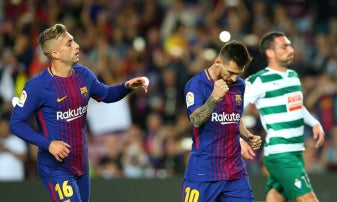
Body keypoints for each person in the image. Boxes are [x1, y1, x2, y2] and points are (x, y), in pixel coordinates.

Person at [9, 23, 148, 202]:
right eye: (69, 43)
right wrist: (48, 144)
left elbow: (106, 94)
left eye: (73, 41)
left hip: (81, 164)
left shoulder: (83, 75)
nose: (77, 46)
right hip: (55, 167)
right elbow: (16, 123)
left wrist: (126, 86)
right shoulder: (37, 86)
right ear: (55, 54)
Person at [243, 31, 325, 202]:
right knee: (309, 199)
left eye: (290, 45)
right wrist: (240, 139)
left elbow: (297, 106)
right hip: (281, 153)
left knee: (276, 196)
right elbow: (232, 111)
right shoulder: (258, 81)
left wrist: (315, 122)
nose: (291, 49)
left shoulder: (293, 76)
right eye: (284, 46)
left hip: (296, 151)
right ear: (270, 53)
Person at [182, 40, 262, 202]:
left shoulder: (239, 85)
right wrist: (214, 98)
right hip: (204, 173)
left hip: (235, 173)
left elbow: (234, 116)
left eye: (238, 73)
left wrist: (247, 135)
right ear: (218, 61)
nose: (234, 78)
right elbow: (195, 120)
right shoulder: (196, 85)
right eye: (231, 72)